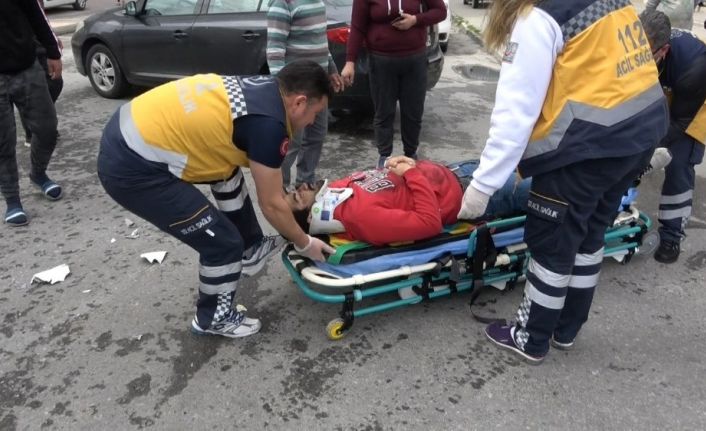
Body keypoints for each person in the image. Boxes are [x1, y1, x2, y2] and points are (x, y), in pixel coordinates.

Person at [457, 0, 669, 363]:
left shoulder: (539, 17)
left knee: (552, 242)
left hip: (587, 147)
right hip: (639, 134)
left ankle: (531, 337)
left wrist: (483, 185)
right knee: (588, 236)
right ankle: (566, 330)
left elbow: (516, 110)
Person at [96, 61, 336, 339]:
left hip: (129, 127)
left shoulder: (265, 89)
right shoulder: (270, 126)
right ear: (299, 102)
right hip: (132, 166)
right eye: (315, 114)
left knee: (226, 169)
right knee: (222, 243)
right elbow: (271, 204)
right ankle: (213, 318)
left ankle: (251, 248)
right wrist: (304, 243)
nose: (312, 122)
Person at [285, 156, 531, 246]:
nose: (301, 187)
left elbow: (387, 180)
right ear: (312, 215)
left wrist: (403, 163)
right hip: (474, 193)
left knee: (536, 156)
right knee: (550, 187)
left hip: (458, 170)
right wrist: (411, 173)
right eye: (297, 197)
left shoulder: (337, 190)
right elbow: (429, 222)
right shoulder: (362, 219)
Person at [341, 0, 446, 169]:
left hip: (414, 61)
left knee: (413, 112)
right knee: (384, 112)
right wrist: (350, 61)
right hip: (381, 61)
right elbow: (358, 26)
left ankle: (411, 155)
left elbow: (440, 12)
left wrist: (415, 20)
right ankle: (384, 157)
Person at [640, 10, 706, 263]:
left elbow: (679, 122)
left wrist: (648, 152)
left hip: (694, 107)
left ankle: (671, 235)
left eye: (645, 56)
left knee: (678, 162)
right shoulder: (640, 46)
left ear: (663, 50)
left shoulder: (694, 70)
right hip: (666, 87)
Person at [266, 0, 343, 190]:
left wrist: (332, 69)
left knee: (317, 135)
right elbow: (274, 51)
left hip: (317, 85)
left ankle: (305, 183)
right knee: (291, 143)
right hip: (296, 90)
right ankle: (280, 188)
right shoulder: (283, 3)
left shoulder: (318, 2)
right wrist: (283, 92)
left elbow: (320, 40)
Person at [1, 0, 63, 227]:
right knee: (3, 142)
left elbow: (36, 14)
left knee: (47, 128)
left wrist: (53, 51)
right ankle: (12, 199)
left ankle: (38, 173)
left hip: (26, 66)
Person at [20, 38, 64, 147]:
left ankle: (46, 125)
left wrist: (53, 38)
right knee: (27, 95)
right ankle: (31, 134)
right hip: (21, 51)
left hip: (41, 46)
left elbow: (43, 26)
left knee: (55, 84)